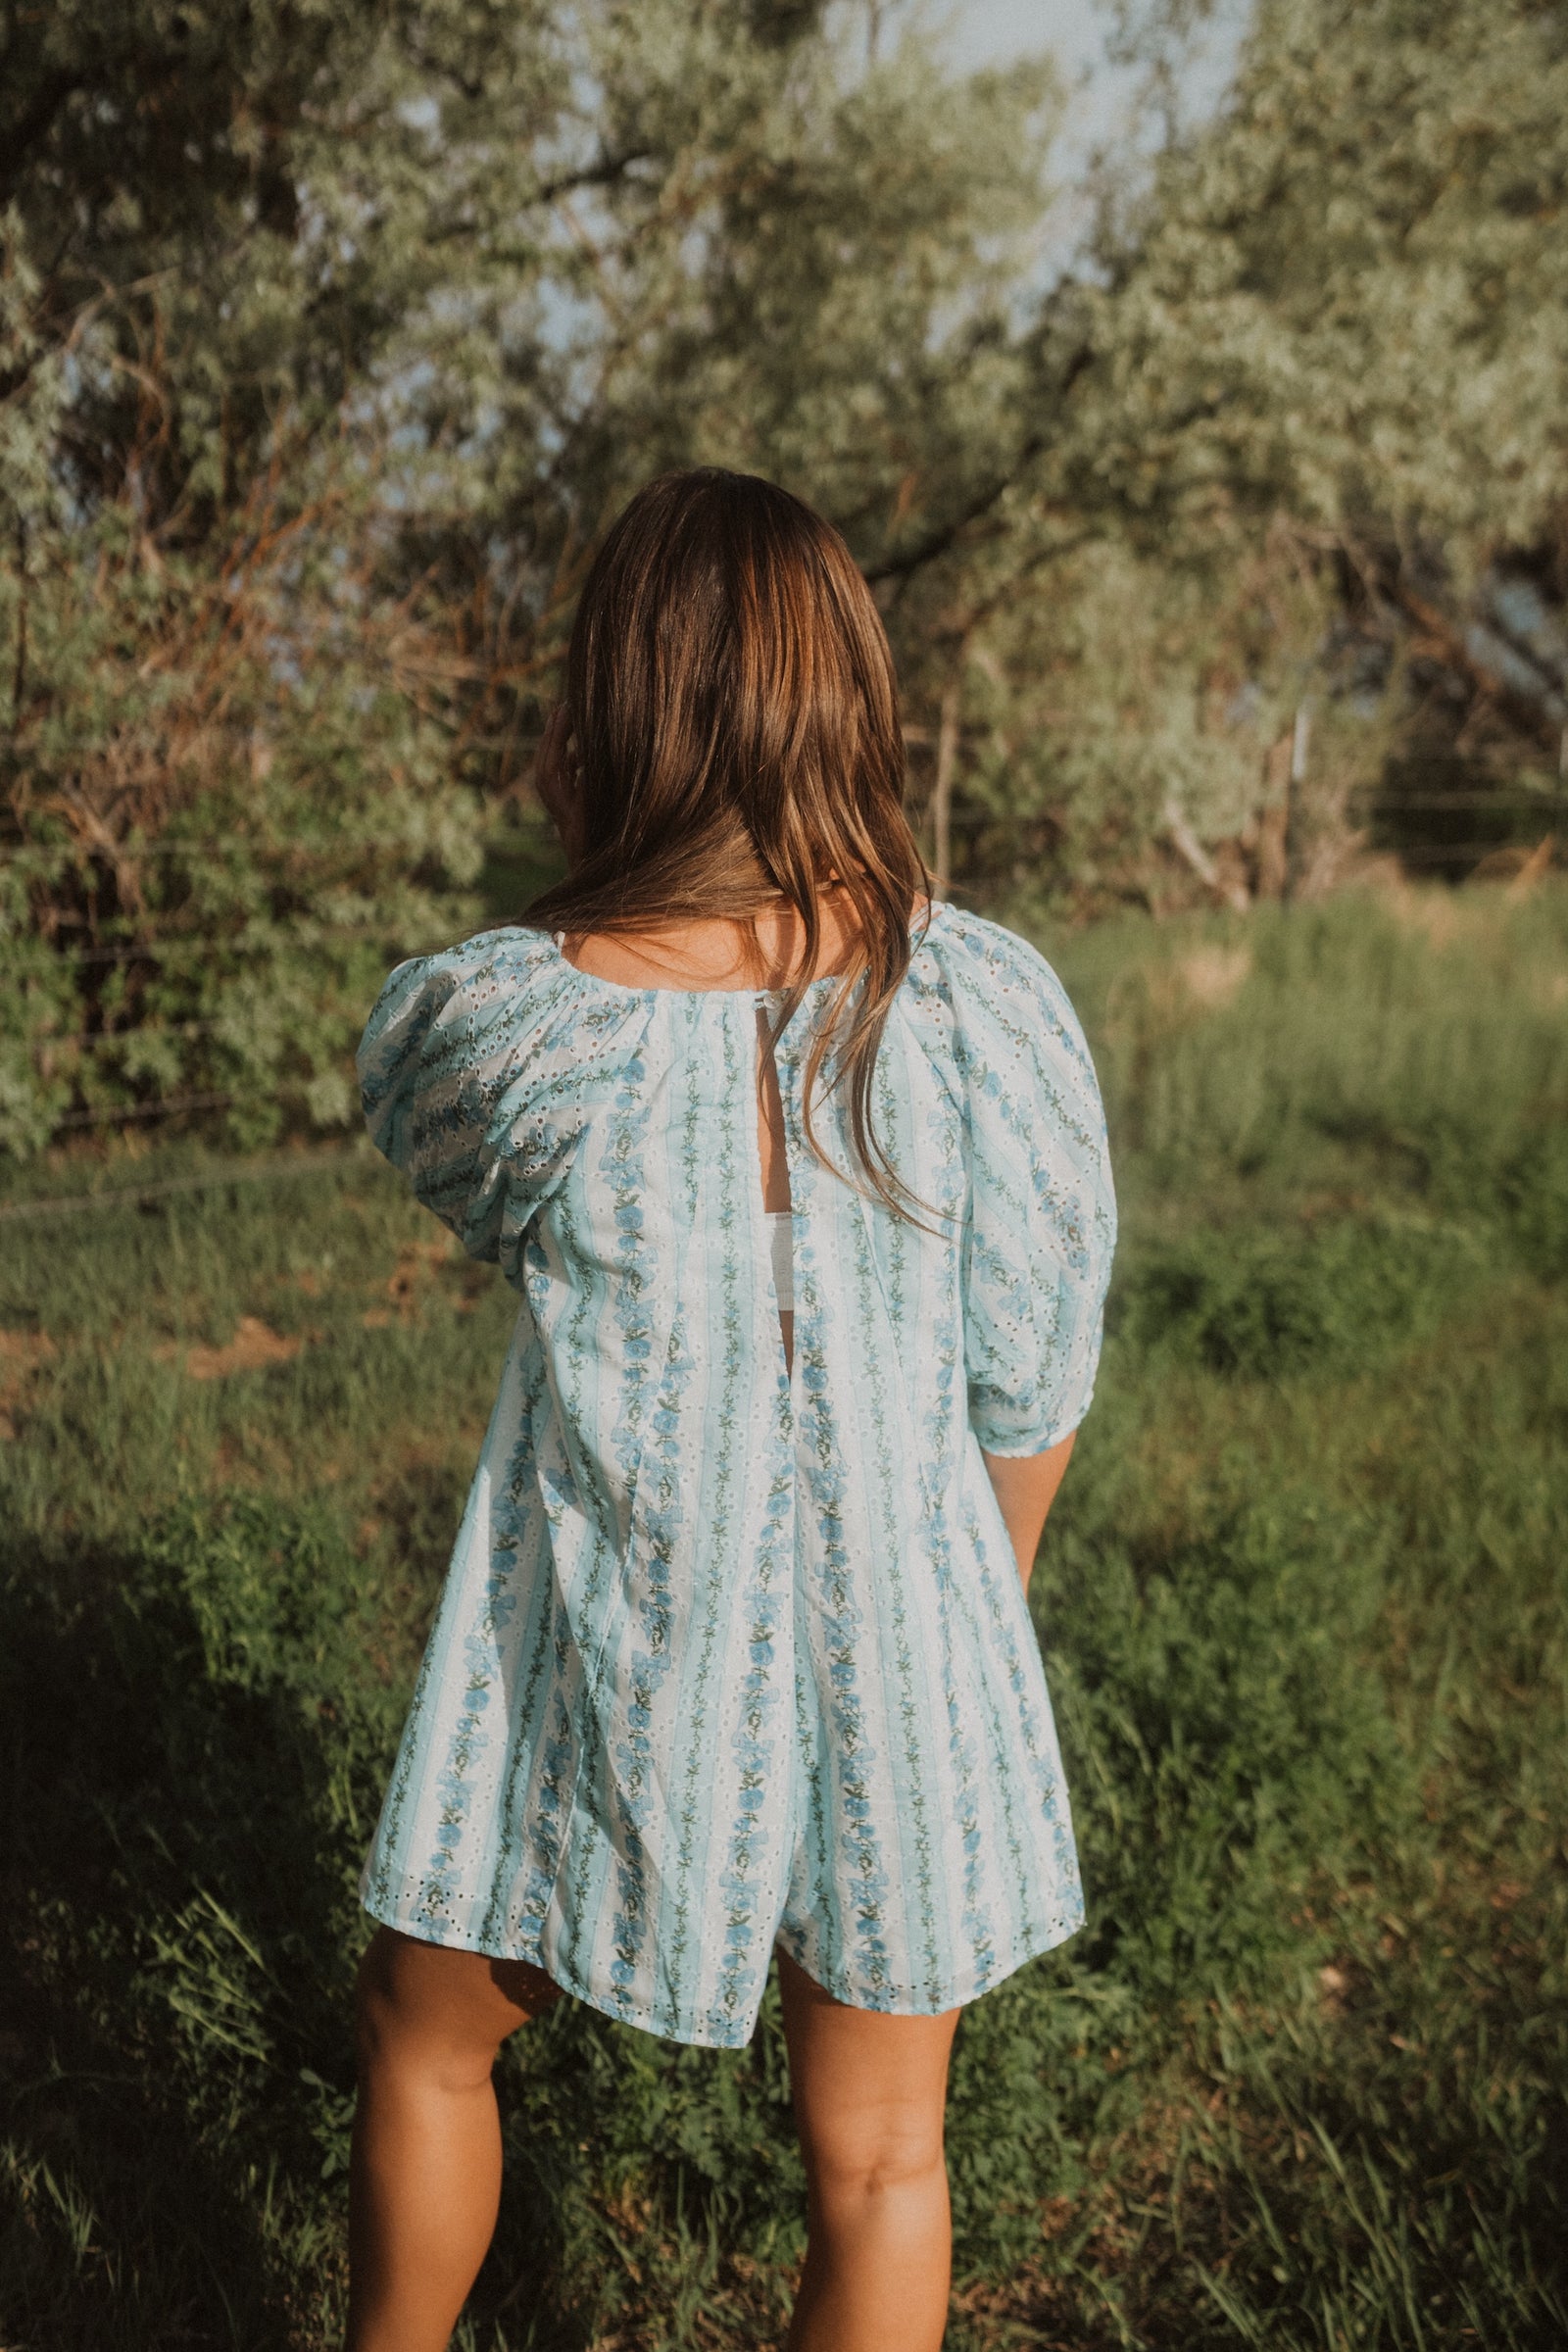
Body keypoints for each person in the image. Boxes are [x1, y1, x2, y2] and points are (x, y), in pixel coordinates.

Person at [345, 467, 1116, 2352]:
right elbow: (1035, 1376)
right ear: (849, 698)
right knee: (878, 2162)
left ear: (615, 706)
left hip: (600, 1644)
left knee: (425, 2043)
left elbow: (428, 1130)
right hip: (911, 1651)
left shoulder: (517, 1025)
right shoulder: (988, 1010)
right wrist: (960, 1619)